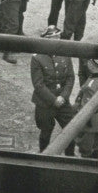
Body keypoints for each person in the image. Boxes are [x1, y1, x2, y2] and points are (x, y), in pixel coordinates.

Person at [30, 26, 75, 155]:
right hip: (45, 102)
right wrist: (53, 100)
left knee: (71, 129)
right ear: (46, 40)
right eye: (54, 39)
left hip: (62, 99)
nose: (58, 41)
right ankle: (44, 155)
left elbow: (70, 78)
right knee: (46, 131)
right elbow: (38, 84)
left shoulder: (65, 54)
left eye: (58, 38)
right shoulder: (37, 58)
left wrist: (63, 97)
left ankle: (70, 156)